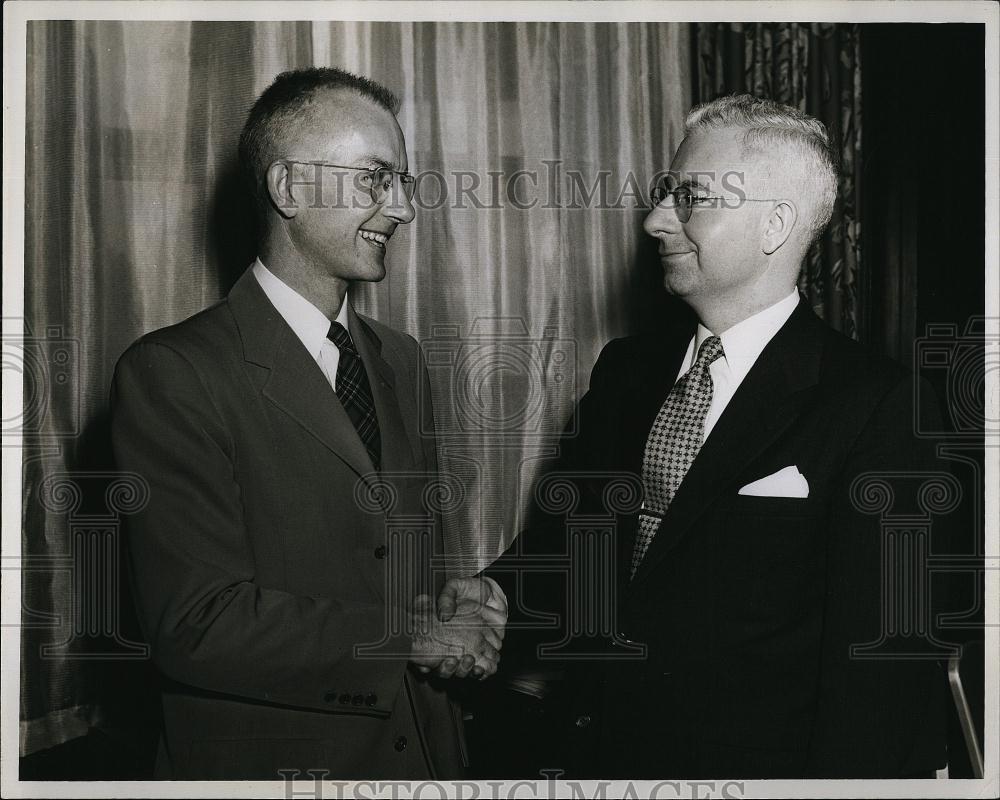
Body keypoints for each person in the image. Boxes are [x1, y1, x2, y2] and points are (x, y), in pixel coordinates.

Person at [501, 94, 952, 778]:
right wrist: (490, 597)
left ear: (774, 225)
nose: (655, 222)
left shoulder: (879, 406)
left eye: (689, 198)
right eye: (662, 194)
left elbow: (880, 687)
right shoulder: (626, 372)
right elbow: (567, 552)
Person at [111, 67, 506, 780]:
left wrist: (457, 611)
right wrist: (413, 634)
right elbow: (196, 623)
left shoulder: (402, 359)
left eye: (403, 182)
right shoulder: (173, 371)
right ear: (289, 188)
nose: (405, 210)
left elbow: (404, 560)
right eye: (376, 179)